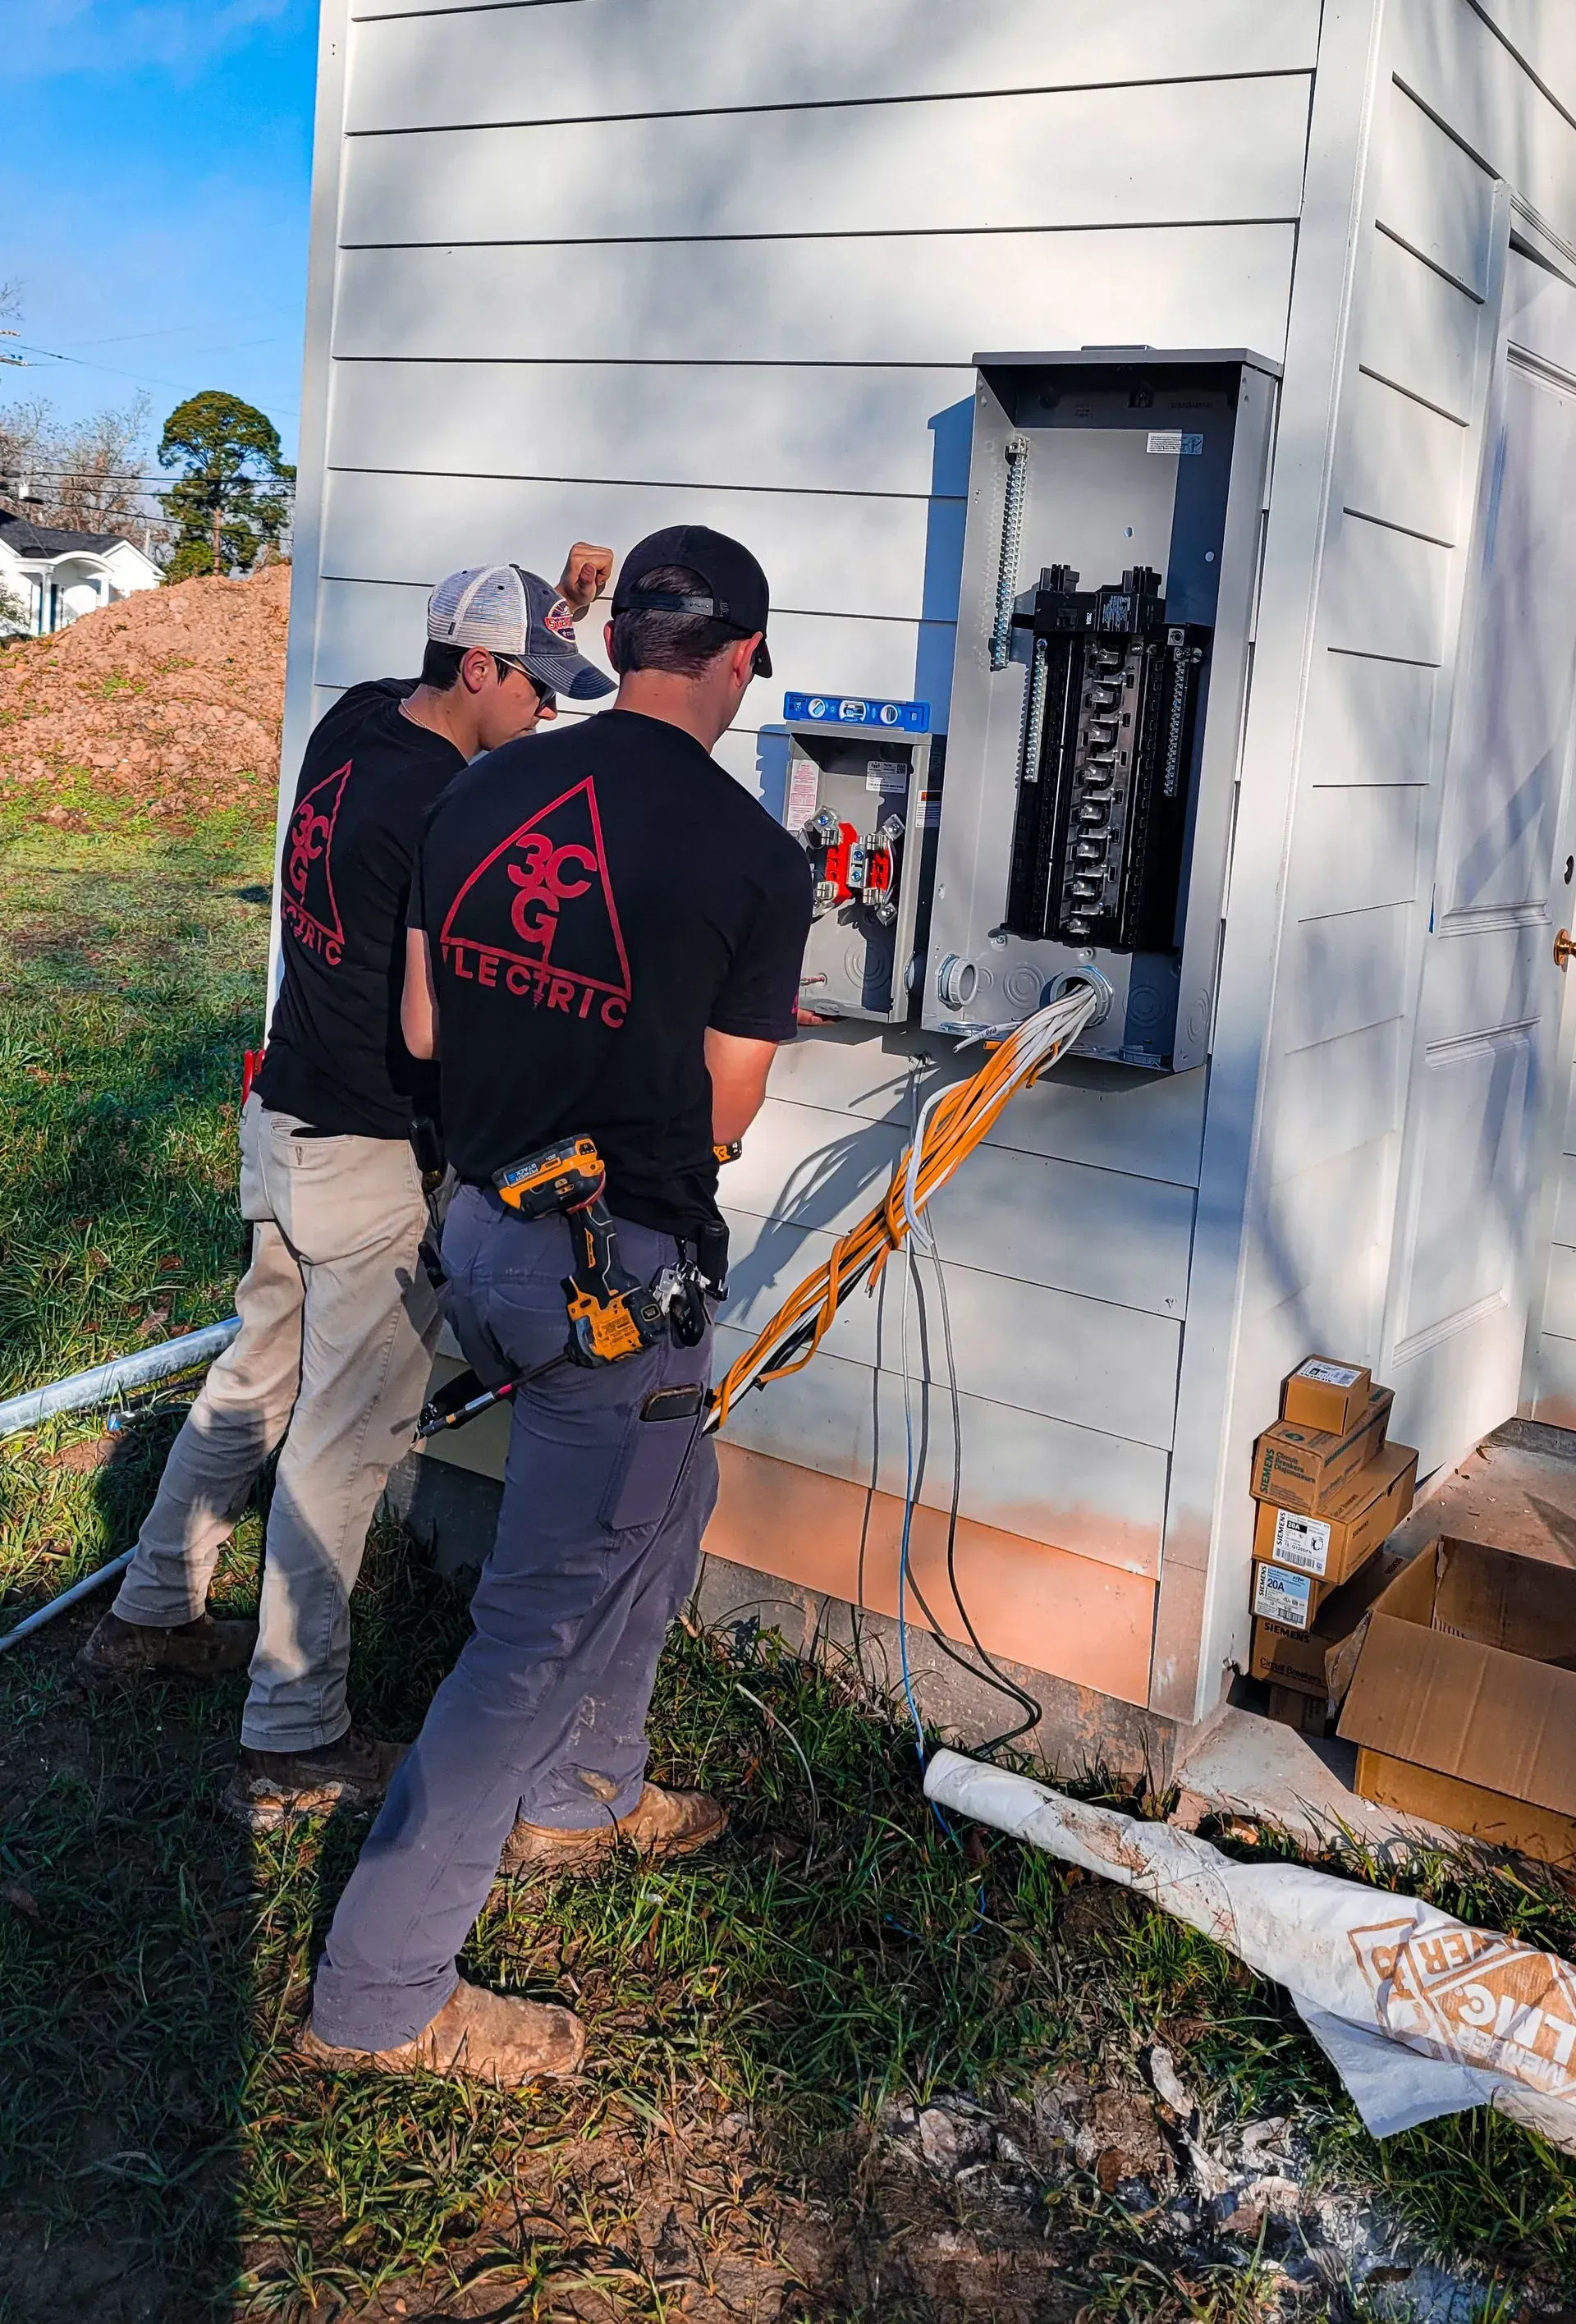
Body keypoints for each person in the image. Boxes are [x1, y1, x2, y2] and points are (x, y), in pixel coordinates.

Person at [296, 525, 814, 2088]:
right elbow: (724, 1117)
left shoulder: (476, 791)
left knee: (671, 1492)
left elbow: (425, 1020)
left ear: (632, 641)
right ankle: (380, 1991)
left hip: (479, 1231)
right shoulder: (755, 857)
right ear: (734, 659)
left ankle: (589, 1788)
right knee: (527, 1627)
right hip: (614, 1271)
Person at [77, 549, 616, 1832]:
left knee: (255, 1372)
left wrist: (563, 620)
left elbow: (473, 713)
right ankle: (291, 1735)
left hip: (284, 1116)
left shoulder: (361, 717)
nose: (546, 709)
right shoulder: (437, 816)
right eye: (536, 683)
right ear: (477, 668)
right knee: (343, 1436)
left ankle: (151, 1611)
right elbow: (439, 1030)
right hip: (369, 1153)